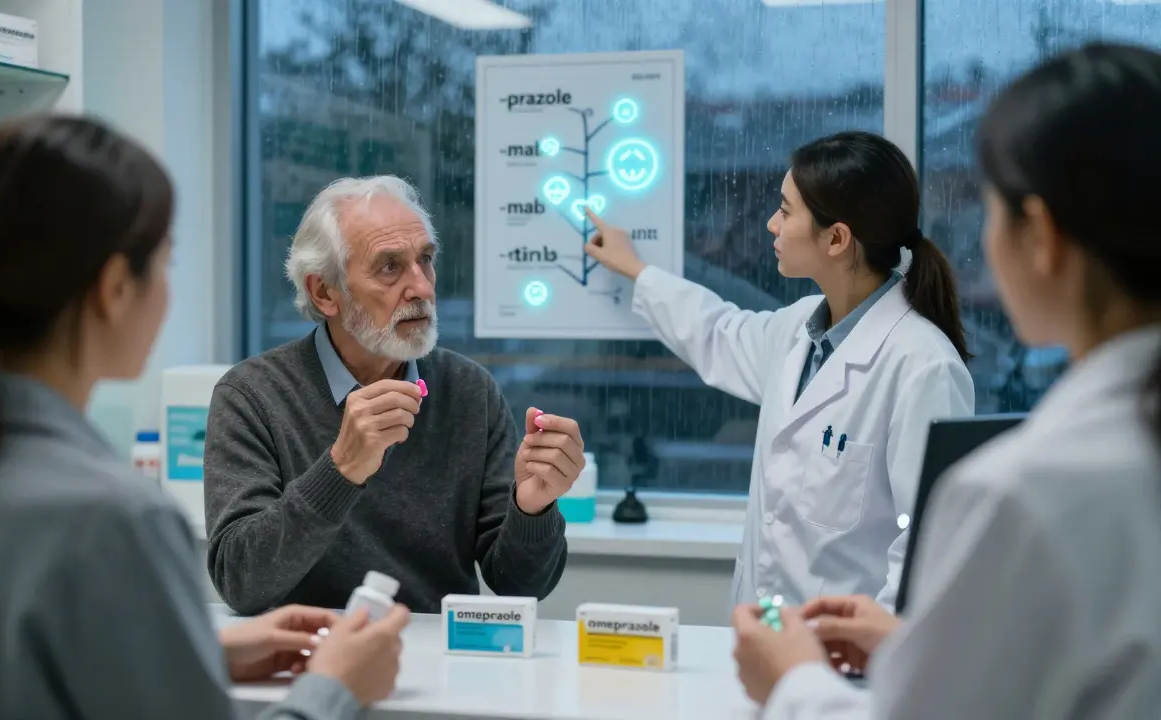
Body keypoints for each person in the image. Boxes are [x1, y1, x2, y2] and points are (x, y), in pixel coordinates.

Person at [0, 116, 409, 720]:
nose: (167, 292)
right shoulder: (112, 516)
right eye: (164, 264)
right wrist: (336, 687)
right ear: (113, 288)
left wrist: (197, 649)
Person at [731, 42, 1161, 719]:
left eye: (989, 211)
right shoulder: (1119, 455)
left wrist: (792, 682)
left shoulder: (1024, 493)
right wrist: (907, 642)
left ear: (1042, 236)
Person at [585, 131, 975, 610]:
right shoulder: (799, 330)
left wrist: (869, 655)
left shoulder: (922, 366)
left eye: (786, 211)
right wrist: (635, 270)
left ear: (837, 238)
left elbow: (929, 548)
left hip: (847, 666)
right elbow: (717, 332)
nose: (771, 224)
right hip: (767, 639)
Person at [205, 175, 585, 616]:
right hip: (307, 657)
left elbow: (521, 587)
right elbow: (241, 582)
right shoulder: (252, 395)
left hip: (440, 659)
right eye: (389, 267)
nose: (422, 288)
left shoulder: (469, 391)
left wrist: (532, 508)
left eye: (426, 260)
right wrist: (341, 470)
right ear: (324, 292)